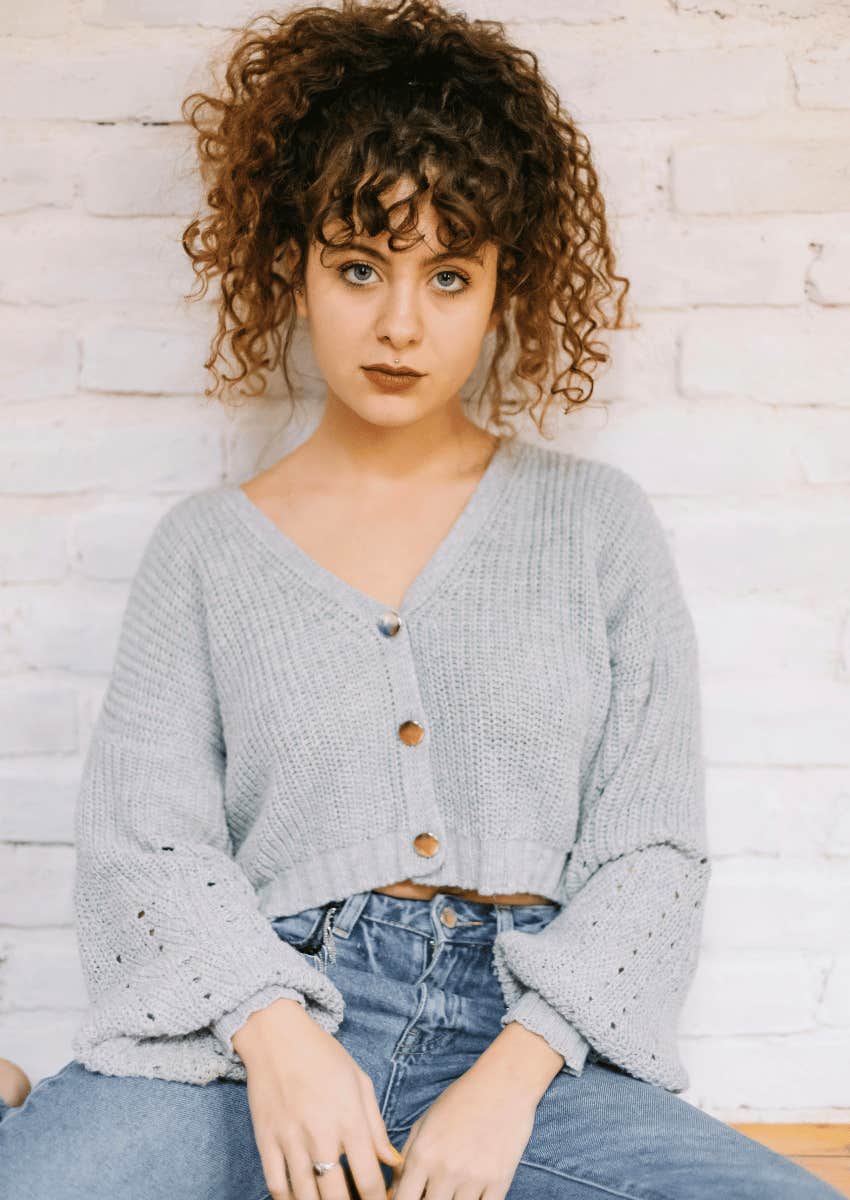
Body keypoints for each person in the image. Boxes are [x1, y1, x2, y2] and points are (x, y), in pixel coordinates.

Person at [0, 2, 841, 1198]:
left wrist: (514, 1076)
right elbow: (146, 842)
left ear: (507, 285)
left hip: (522, 1044)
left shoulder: (593, 527)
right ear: (290, 265)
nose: (400, 323)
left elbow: (650, 851)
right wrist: (274, 1030)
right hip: (257, 1043)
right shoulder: (206, 554)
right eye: (359, 268)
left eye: (448, 274)